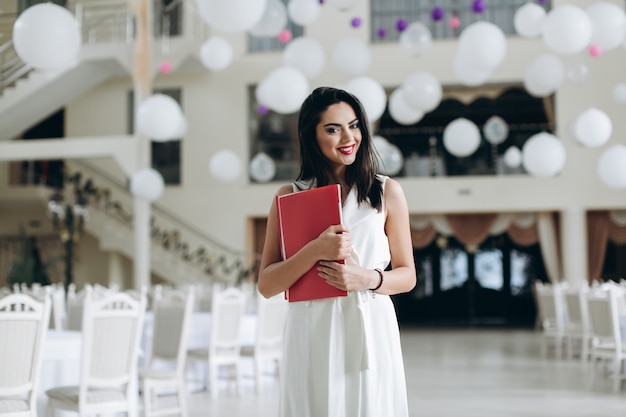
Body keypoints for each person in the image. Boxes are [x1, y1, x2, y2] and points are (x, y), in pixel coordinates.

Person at [257, 86, 417, 417]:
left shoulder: (386, 192)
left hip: (370, 322)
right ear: (311, 135)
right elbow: (267, 285)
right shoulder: (288, 196)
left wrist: (368, 278)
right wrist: (314, 251)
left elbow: (408, 276)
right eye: (333, 128)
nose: (349, 137)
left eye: (355, 125)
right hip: (310, 327)